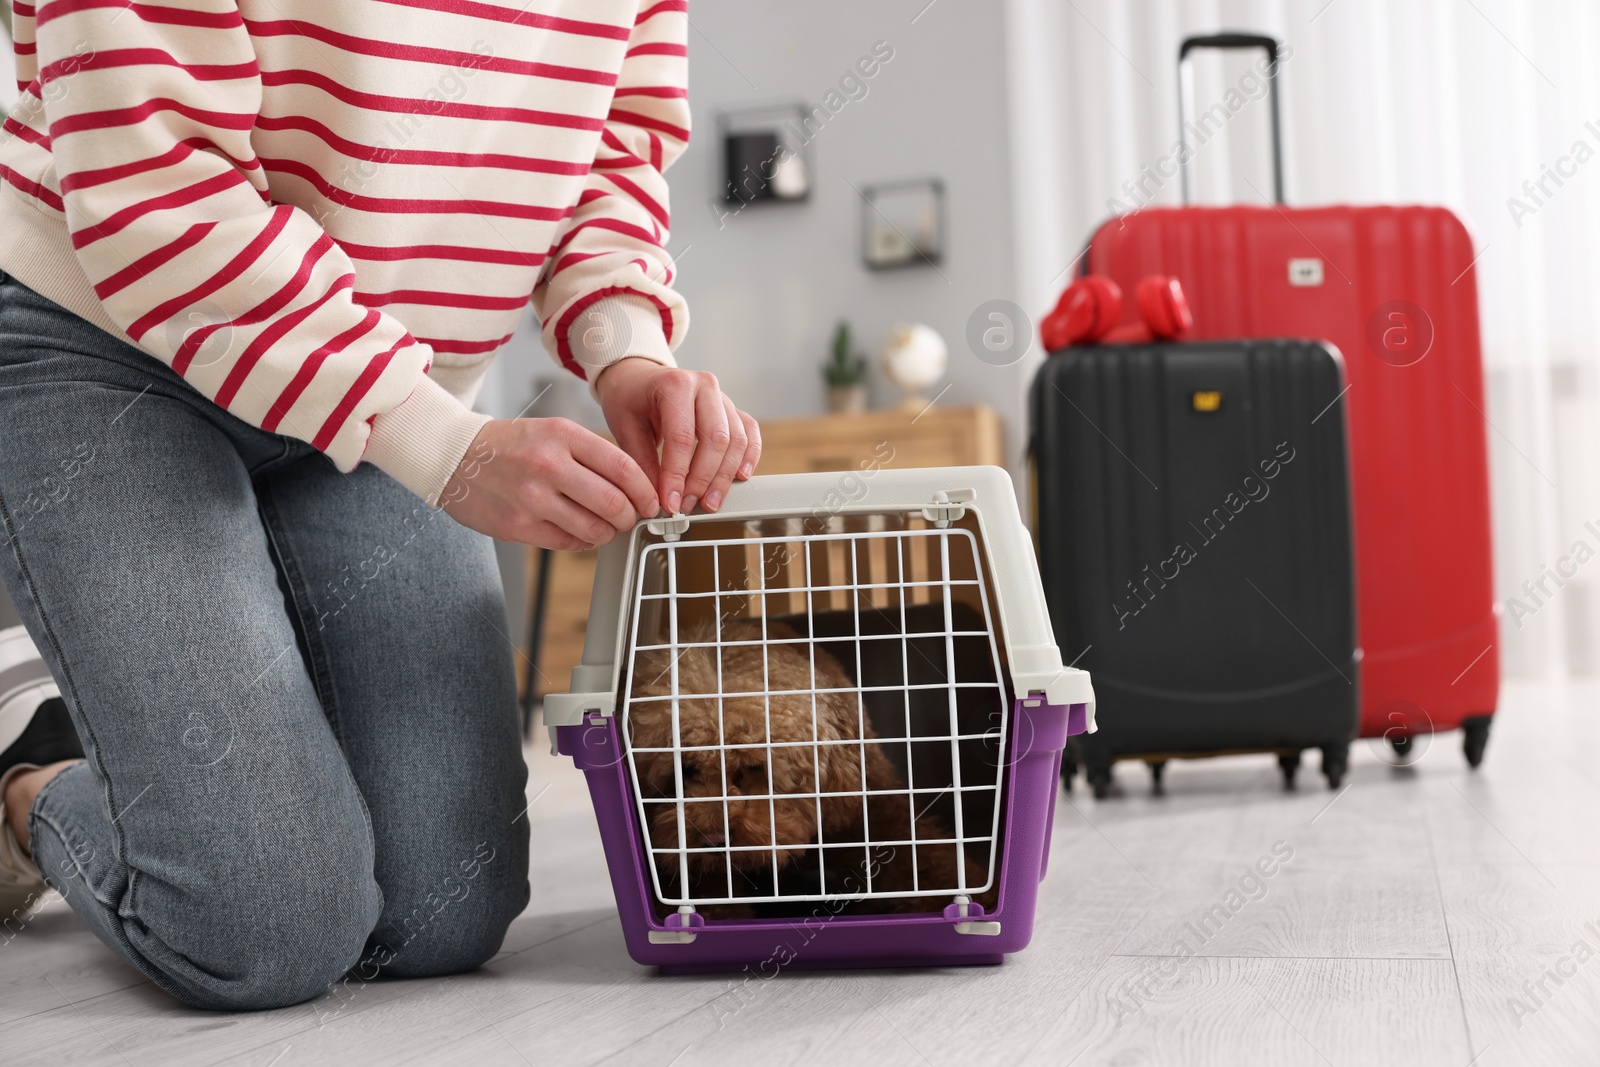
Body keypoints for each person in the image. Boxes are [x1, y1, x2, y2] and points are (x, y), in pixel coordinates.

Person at [0, 0, 756, 1010]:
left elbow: (608, 143)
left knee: (442, 914)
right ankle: (30, 767)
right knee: (266, 929)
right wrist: (441, 447)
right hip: (102, 337)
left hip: (384, 365)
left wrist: (624, 345)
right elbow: (152, 177)